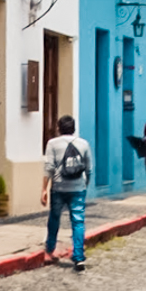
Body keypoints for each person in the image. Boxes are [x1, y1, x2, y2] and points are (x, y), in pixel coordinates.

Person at [39, 115, 92, 272]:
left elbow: (49, 167)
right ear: (74, 128)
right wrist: (85, 184)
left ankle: (49, 250)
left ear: (58, 128)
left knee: (54, 218)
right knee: (78, 221)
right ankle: (78, 256)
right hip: (78, 188)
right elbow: (89, 169)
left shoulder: (52, 143)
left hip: (59, 188)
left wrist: (44, 189)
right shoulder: (84, 144)